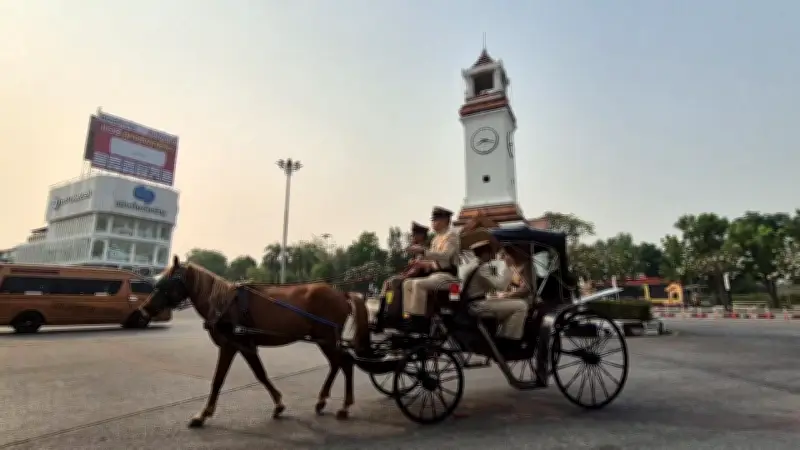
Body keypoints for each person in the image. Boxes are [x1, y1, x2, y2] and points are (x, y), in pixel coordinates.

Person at [402, 206, 460, 331]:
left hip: (449, 277)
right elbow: (434, 263)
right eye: (432, 220)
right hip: (437, 275)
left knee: (418, 284)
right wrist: (420, 264)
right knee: (407, 283)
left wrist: (423, 251)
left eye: (436, 220)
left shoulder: (452, 236)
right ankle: (408, 317)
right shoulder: (436, 239)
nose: (433, 223)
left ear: (445, 220)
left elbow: (445, 256)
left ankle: (419, 323)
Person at [464, 240, 529, 341]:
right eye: (493, 252)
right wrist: (509, 267)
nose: (495, 256)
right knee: (521, 305)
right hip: (477, 306)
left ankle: (502, 336)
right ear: (486, 253)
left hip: (469, 304)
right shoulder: (484, 267)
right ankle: (509, 341)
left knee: (508, 304)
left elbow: (493, 284)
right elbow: (500, 286)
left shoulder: (470, 265)